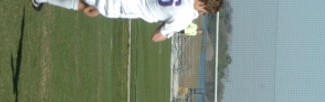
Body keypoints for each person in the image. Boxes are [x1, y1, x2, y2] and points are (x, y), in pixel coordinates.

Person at [30, 0, 222, 42]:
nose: (201, 14)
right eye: (204, 11)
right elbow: (156, 37)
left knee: (89, 9)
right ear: (203, 5)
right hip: (120, 6)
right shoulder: (184, 16)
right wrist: (172, 29)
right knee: (90, 8)